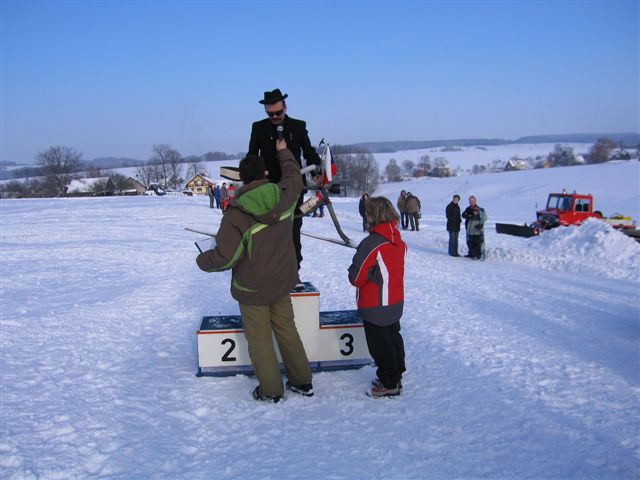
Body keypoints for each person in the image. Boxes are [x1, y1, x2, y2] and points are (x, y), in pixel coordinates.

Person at [196, 138, 313, 403]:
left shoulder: (236, 214)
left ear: (242, 181)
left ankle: (271, 391)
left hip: (253, 288)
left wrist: (202, 260)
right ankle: (303, 381)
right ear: (265, 173)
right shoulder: (284, 194)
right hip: (283, 281)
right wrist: (284, 153)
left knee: (260, 340)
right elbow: (294, 176)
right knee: (287, 330)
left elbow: (226, 257)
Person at [248, 89, 321, 272]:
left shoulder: (298, 126)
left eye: (278, 112)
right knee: (269, 230)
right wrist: (256, 173)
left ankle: (294, 270)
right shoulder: (258, 128)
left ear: (285, 107)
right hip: (268, 188)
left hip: (294, 187)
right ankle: (270, 270)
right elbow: (252, 156)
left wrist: (316, 172)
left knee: (293, 228)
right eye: (270, 113)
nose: (274, 116)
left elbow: (309, 153)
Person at [348, 197, 407, 398]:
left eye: (369, 213)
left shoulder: (371, 243)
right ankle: (394, 373)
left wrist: (355, 265)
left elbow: (356, 278)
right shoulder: (398, 240)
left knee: (380, 344)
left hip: (376, 304)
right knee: (392, 337)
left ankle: (391, 382)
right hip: (395, 301)